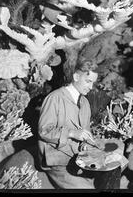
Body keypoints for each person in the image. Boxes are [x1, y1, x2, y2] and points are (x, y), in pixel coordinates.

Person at [37, 58, 99, 189]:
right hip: (56, 159)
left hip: (76, 157)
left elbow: (85, 133)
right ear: (76, 76)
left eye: (93, 83)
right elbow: (44, 131)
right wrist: (71, 133)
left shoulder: (85, 103)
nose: (91, 87)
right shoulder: (55, 98)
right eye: (88, 81)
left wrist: (86, 145)